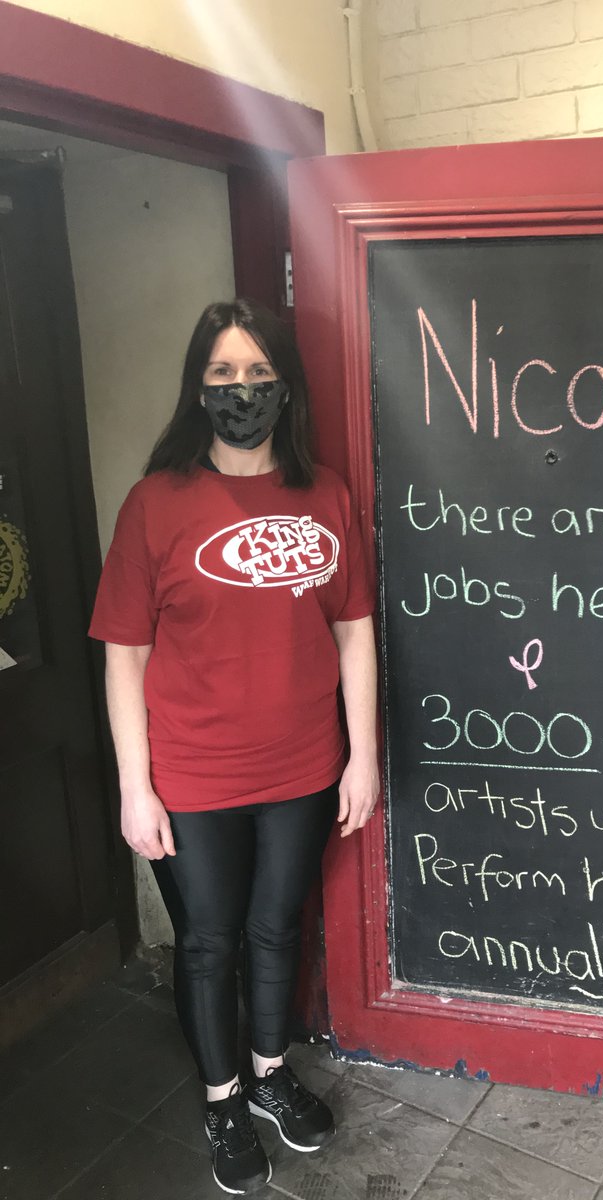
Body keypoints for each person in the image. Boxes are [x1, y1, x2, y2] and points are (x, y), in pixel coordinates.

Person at [89, 299, 379, 1195]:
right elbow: (124, 654)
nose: (241, 391)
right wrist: (135, 787)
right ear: (197, 387)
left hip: (302, 765)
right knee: (210, 942)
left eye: (258, 373)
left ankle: (268, 1074)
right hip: (192, 772)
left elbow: (354, 631)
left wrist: (362, 755)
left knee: (276, 927)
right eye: (222, 373)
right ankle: (222, 1101)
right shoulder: (156, 503)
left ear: (286, 387)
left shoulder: (324, 492)